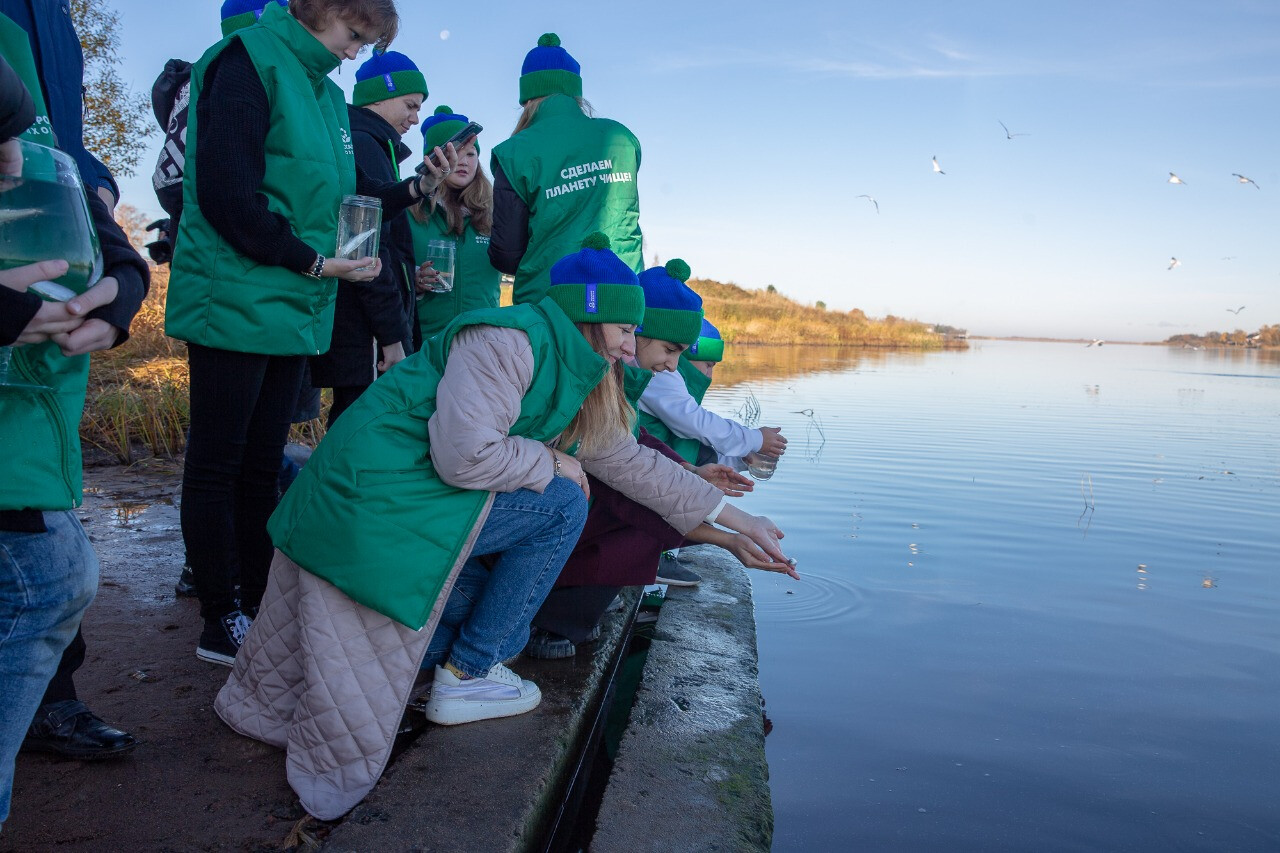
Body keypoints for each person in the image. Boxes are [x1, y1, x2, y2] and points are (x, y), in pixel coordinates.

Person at [212, 233, 793, 820]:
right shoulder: (505, 341)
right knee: (564, 502)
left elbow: (630, 462)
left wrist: (738, 519)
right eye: (625, 332)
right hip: (373, 496)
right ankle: (471, 673)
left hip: (403, 497)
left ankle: (456, 659)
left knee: (450, 608)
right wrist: (555, 462)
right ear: (591, 318)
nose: (630, 347)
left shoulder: (577, 365)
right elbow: (463, 456)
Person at [165, 0, 460, 667]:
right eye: (354, 34)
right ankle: (219, 613)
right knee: (218, 462)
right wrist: (311, 260)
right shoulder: (245, 64)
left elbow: (348, 200)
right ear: (316, 10)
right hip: (235, 297)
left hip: (298, 308)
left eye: (368, 41)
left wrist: (419, 184)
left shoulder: (326, 94)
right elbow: (227, 196)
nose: (356, 50)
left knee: (263, 463)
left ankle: (259, 597)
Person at [0, 22, 149, 825]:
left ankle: (49, 701)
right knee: (47, 573)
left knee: (52, 571)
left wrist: (122, 265)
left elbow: (66, 157)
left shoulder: (52, 26)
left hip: (37, 381)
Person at [527, 259, 790, 658]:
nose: (673, 365)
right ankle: (553, 617)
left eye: (682, 354)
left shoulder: (616, 372)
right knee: (630, 500)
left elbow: (635, 437)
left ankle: (575, 603)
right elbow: (626, 462)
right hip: (533, 510)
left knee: (643, 492)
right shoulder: (590, 370)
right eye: (669, 350)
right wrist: (733, 533)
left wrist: (690, 471)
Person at [310, 48, 426, 426]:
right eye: (410, 104)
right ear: (381, 94)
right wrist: (391, 335)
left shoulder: (372, 145)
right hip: (366, 331)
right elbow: (368, 247)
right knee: (360, 430)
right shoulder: (365, 145)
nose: (415, 117)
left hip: (365, 327)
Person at [489, 33, 642, 306]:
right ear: (576, 93)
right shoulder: (622, 138)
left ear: (527, 98)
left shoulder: (514, 151)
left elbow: (507, 255)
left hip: (551, 303)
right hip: (623, 300)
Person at [147, 0, 290, 265]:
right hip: (221, 255)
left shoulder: (214, 83)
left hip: (226, 249)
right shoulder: (220, 86)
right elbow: (175, 182)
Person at [410, 104, 500, 342]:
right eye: (455, 153)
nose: (464, 162)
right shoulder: (409, 212)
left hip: (483, 345)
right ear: (432, 159)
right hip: (424, 346)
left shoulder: (495, 213)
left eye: (470, 154)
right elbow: (386, 272)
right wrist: (414, 280)